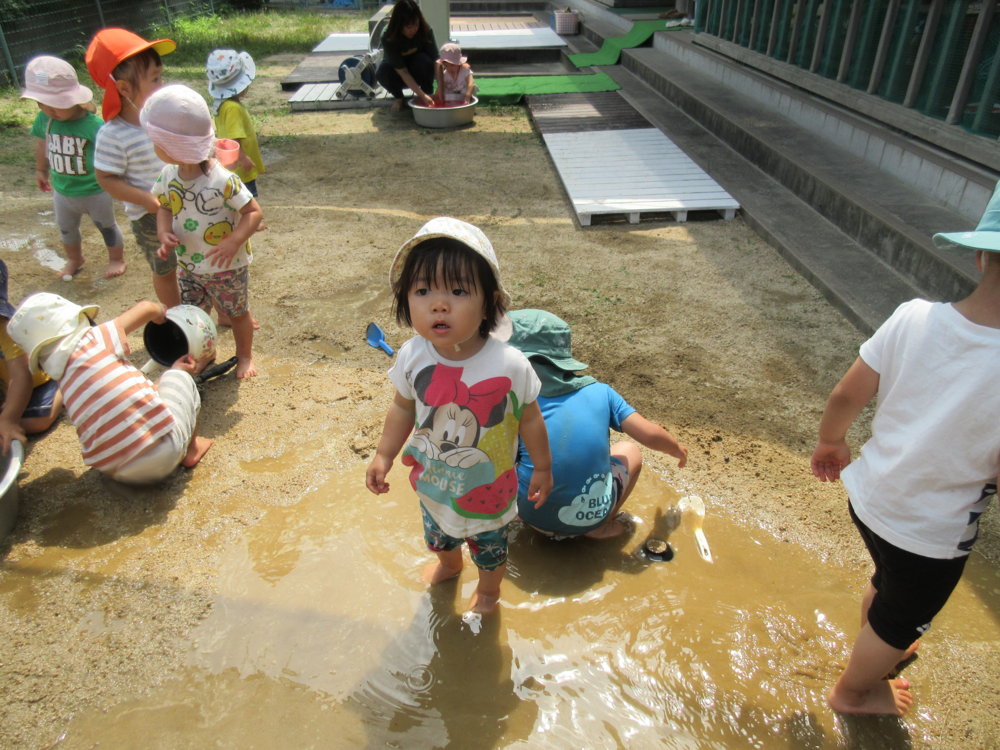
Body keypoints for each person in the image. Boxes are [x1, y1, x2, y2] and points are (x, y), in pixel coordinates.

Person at [811, 192, 1000, 716]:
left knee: (888, 583)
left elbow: (846, 395)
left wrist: (831, 441)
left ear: (980, 255)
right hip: (931, 531)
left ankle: (879, 639)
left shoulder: (913, 316)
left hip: (871, 499)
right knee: (903, 615)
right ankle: (855, 693)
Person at [365, 217, 553, 615]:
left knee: (491, 555)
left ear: (489, 302)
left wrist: (542, 467)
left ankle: (488, 593)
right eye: (422, 290)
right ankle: (449, 566)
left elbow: (531, 419)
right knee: (439, 540)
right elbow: (402, 406)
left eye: (458, 290)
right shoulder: (413, 355)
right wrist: (383, 454)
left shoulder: (510, 365)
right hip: (434, 486)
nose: (439, 303)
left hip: (490, 496)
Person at [508, 309, 688, 538]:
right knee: (629, 450)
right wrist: (676, 449)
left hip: (530, 512)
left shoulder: (512, 401)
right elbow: (651, 434)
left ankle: (529, 519)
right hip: (588, 517)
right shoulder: (601, 392)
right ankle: (601, 526)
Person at [7, 293, 212, 484]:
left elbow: (122, 399)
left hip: (117, 473)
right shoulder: (93, 339)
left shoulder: (63, 377)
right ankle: (191, 450)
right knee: (180, 377)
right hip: (165, 456)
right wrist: (160, 312)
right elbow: (146, 308)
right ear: (77, 320)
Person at [143, 85, 262, 380]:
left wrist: (234, 241)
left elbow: (254, 212)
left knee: (237, 314)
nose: (154, 147)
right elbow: (164, 207)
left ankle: (244, 355)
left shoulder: (223, 179)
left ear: (173, 147)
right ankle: (205, 352)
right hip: (189, 265)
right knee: (193, 315)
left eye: (157, 142)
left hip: (227, 267)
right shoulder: (168, 175)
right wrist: (163, 233)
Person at [87, 28, 181, 308]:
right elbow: (105, 178)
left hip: (185, 205)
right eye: (154, 79)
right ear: (124, 89)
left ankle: (222, 313)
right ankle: (179, 319)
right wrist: (146, 200)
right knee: (166, 270)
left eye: (160, 76)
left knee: (199, 262)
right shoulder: (113, 134)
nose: (162, 85)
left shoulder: (161, 117)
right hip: (149, 217)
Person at [22, 56, 126, 280]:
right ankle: (75, 258)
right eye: (42, 103)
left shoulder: (93, 125)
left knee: (107, 226)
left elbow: (112, 153)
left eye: (56, 104)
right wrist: (41, 170)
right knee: (67, 229)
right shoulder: (45, 119)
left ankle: (117, 258)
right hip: (63, 191)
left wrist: (119, 179)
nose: (49, 110)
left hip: (95, 190)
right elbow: (42, 143)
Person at [0, 261, 62, 454]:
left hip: (34, 382)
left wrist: (8, 420)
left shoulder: (7, 330)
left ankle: (65, 382)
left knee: (37, 422)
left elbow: (21, 376)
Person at [207, 48, 268, 237]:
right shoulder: (232, 107)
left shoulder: (222, 104)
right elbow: (234, 137)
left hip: (229, 162)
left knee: (235, 191)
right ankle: (250, 221)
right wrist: (244, 158)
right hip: (238, 164)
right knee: (247, 193)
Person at [376, 0, 437, 113]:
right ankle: (399, 97)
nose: (413, 30)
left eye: (416, 25)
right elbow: (402, 71)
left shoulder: (425, 29)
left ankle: (428, 93)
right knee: (382, 71)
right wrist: (422, 96)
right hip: (398, 75)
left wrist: (441, 89)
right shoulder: (388, 35)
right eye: (409, 27)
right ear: (399, 25)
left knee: (425, 60)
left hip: (417, 71)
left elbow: (436, 60)